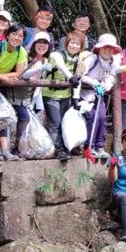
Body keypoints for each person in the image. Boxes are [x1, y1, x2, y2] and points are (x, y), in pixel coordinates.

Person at [0, 24, 28, 161]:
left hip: (1, 86)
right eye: (14, 34)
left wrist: (4, 78)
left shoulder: (21, 52)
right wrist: (6, 78)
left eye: (20, 36)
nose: (17, 38)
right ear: (7, 35)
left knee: (1, 117)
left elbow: (19, 72)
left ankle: (4, 151)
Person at [73, 34, 120, 158]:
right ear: (99, 48)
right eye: (105, 47)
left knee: (102, 117)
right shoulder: (92, 58)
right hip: (85, 94)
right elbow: (80, 75)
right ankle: (88, 146)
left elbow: (113, 75)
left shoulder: (114, 61)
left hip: (99, 96)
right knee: (92, 117)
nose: (107, 50)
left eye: (110, 48)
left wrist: (109, 83)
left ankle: (99, 146)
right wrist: (94, 83)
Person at [44, 31, 86, 160]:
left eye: (77, 44)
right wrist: (70, 77)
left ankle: (69, 147)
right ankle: (59, 149)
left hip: (66, 96)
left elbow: (78, 79)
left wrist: (75, 98)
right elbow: (61, 67)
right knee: (55, 123)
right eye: (72, 43)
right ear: (67, 43)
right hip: (50, 94)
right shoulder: (56, 55)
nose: (74, 46)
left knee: (66, 123)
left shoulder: (78, 61)